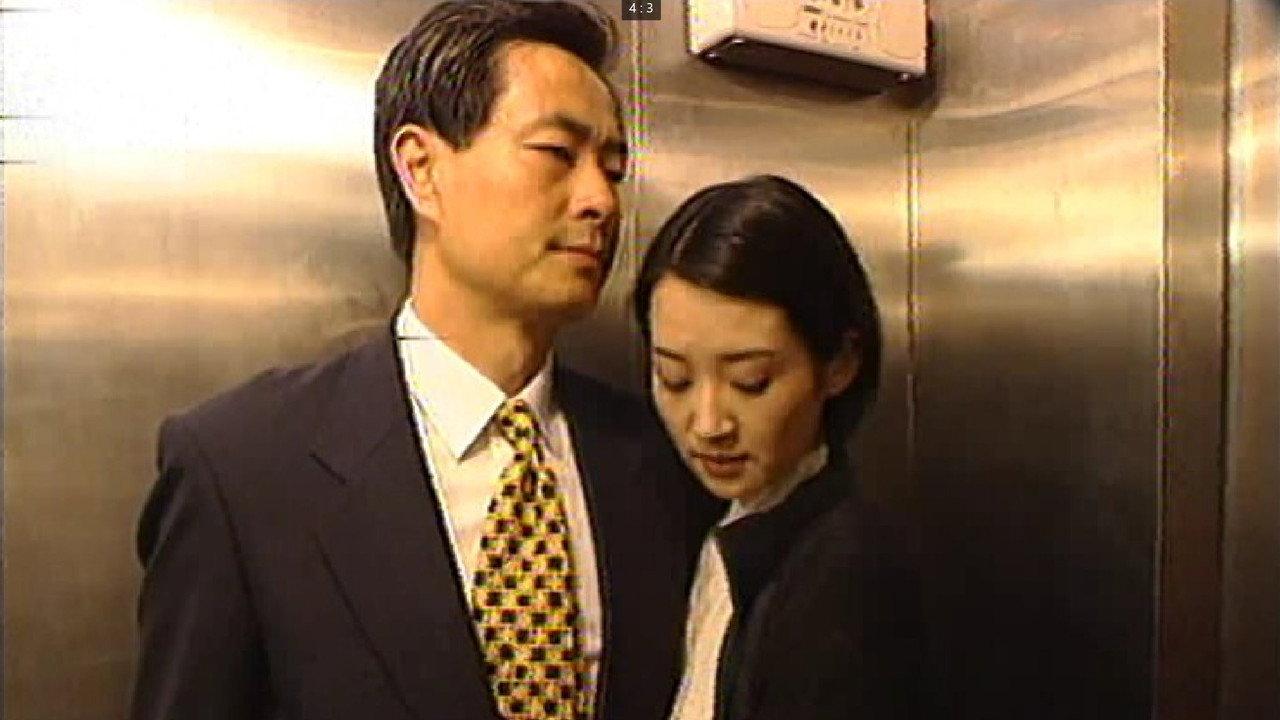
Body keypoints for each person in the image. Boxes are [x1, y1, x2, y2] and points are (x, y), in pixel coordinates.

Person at [130, 3, 714, 719]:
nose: (600, 201)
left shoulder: (661, 459)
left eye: (613, 169)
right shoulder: (244, 468)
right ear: (421, 169)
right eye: (557, 153)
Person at [632, 175, 925, 720]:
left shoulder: (844, 580)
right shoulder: (693, 527)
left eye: (751, 381)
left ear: (838, 364)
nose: (709, 424)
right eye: (675, 378)